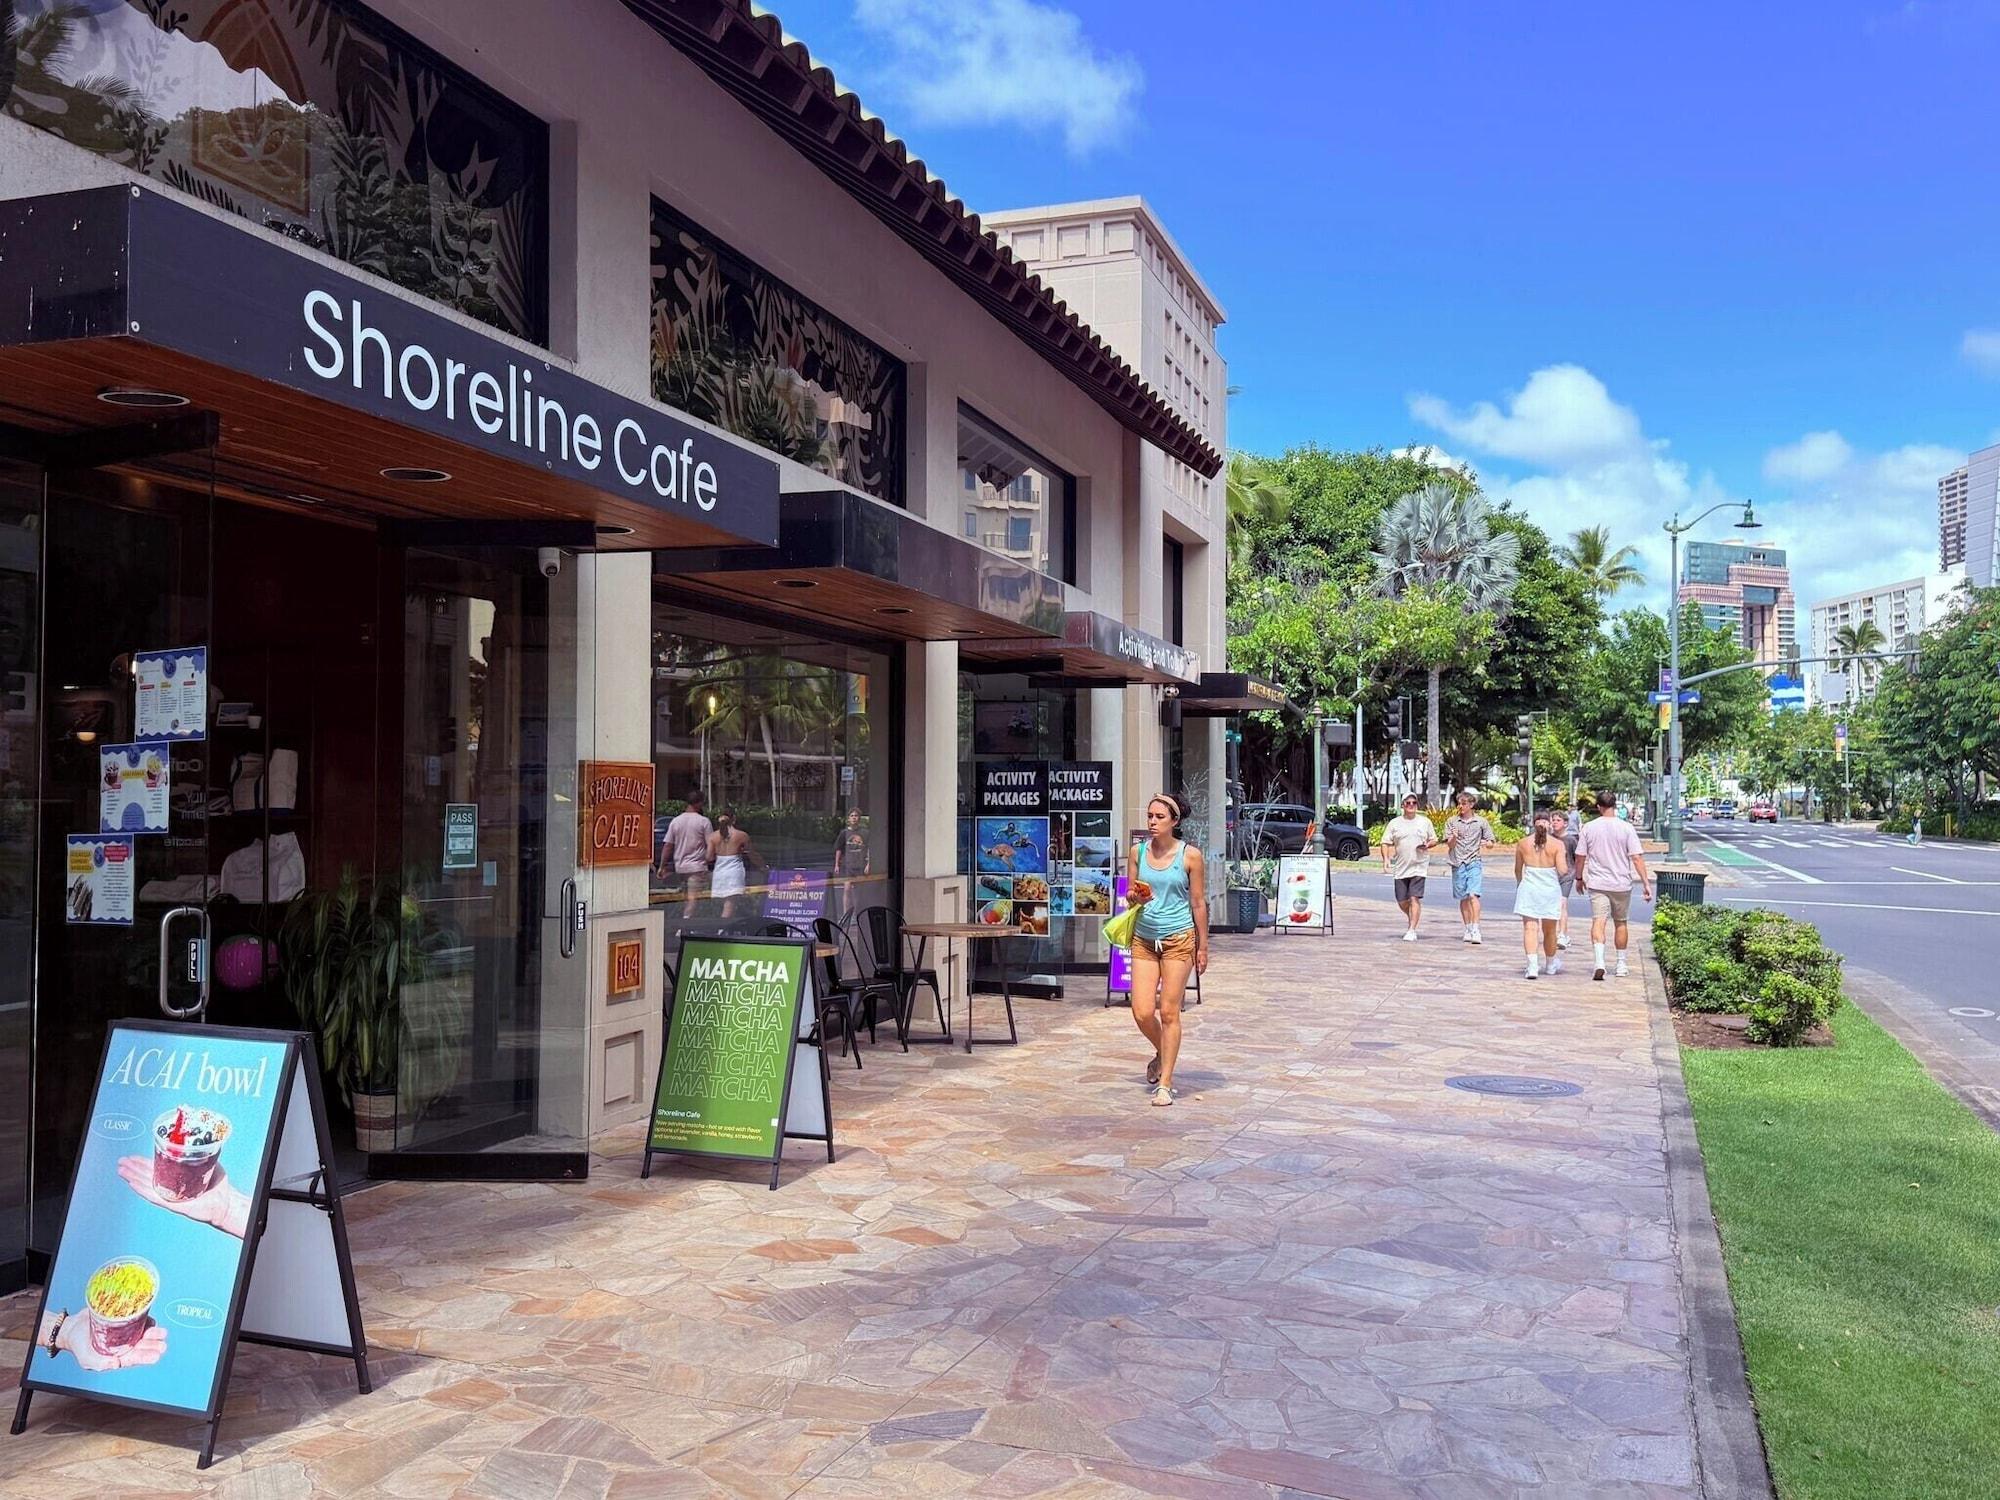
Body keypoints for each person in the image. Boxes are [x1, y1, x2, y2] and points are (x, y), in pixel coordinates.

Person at [1127, 793, 1207, 1108]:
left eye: (1159, 817)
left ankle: (1166, 1084)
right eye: (1150, 816)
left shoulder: (1190, 856)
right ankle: (1163, 1051)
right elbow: (1130, 895)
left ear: (1174, 821)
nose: (1152, 822)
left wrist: (1203, 946)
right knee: (1142, 1011)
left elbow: (1198, 903)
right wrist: (1136, 897)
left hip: (1179, 939)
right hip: (1144, 938)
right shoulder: (1137, 852)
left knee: (1169, 1011)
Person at [1574, 788, 1654, 980]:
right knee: (1621, 923)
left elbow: (1580, 856)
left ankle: (1599, 961)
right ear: (1615, 805)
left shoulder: (1589, 828)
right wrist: (1646, 883)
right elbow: (1636, 857)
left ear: (1598, 807)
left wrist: (1579, 877)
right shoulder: (1626, 828)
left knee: (1598, 921)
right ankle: (1621, 964)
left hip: (1598, 883)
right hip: (1621, 883)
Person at [1513, 808, 1569, 978]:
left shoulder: (1523, 843)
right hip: (1549, 889)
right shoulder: (1557, 844)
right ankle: (1550, 965)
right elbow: (1562, 870)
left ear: (1533, 824)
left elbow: (1518, 869)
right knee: (1550, 930)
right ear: (1549, 824)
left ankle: (1532, 966)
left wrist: (1520, 884)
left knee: (1530, 928)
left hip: (1529, 887)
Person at [1442, 790, 1496, 943]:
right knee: (1464, 897)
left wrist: (1487, 844)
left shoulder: (1481, 822)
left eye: (1464, 803)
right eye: (1459, 803)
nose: (1461, 806)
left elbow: (1491, 842)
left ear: (1471, 805)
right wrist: (1454, 836)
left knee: (1473, 895)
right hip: (1457, 862)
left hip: (1474, 861)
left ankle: (1476, 929)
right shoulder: (1452, 822)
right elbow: (1450, 845)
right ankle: (1468, 927)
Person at [1379, 794, 1435, 941]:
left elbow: (1434, 839)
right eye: (1408, 803)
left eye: (1414, 803)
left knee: (1414, 897)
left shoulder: (1425, 822)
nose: (1411, 805)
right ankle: (1412, 916)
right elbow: (1385, 842)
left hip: (1419, 865)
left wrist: (1428, 845)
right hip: (1401, 867)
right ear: (1402, 805)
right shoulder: (1394, 823)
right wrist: (1386, 859)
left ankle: (1412, 930)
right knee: (1402, 901)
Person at [660, 792, 714, 908]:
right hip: (697, 866)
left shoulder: (676, 821)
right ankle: (687, 918)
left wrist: (662, 866)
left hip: (680, 866)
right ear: (699, 803)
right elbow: (711, 844)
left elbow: (668, 845)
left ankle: (684, 917)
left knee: (685, 898)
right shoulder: (704, 821)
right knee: (693, 899)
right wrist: (709, 859)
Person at [707, 808, 763, 920]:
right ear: (734, 819)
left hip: (719, 871)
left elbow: (709, 857)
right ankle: (722, 928)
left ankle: (723, 926)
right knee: (730, 905)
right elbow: (752, 854)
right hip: (734, 872)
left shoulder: (712, 836)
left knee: (725, 904)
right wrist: (762, 866)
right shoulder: (741, 835)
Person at [1549, 808, 1579, 950]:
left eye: (1558, 820)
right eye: (1553, 820)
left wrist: (1579, 876)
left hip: (1566, 876)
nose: (1555, 823)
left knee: (1562, 903)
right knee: (1550, 906)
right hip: (1550, 875)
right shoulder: (1548, 839)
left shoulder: (1571, 840)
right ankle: (1552, 933)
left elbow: (1577, 858)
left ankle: (1562, 934)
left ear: (1565, 823)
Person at [832, 807, 870, 915]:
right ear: (848, 818)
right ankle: (846, 914)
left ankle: (857, 913)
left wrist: (868, 864)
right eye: (852, 816)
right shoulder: (844, 833)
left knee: (858, 892)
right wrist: (837, 864)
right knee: (847, 889)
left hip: (860, 865)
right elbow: (839, 849)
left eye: (856, 816)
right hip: (848, 865)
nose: (854, 818)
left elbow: (869, 848)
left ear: (859, 818)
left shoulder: (865, 833)